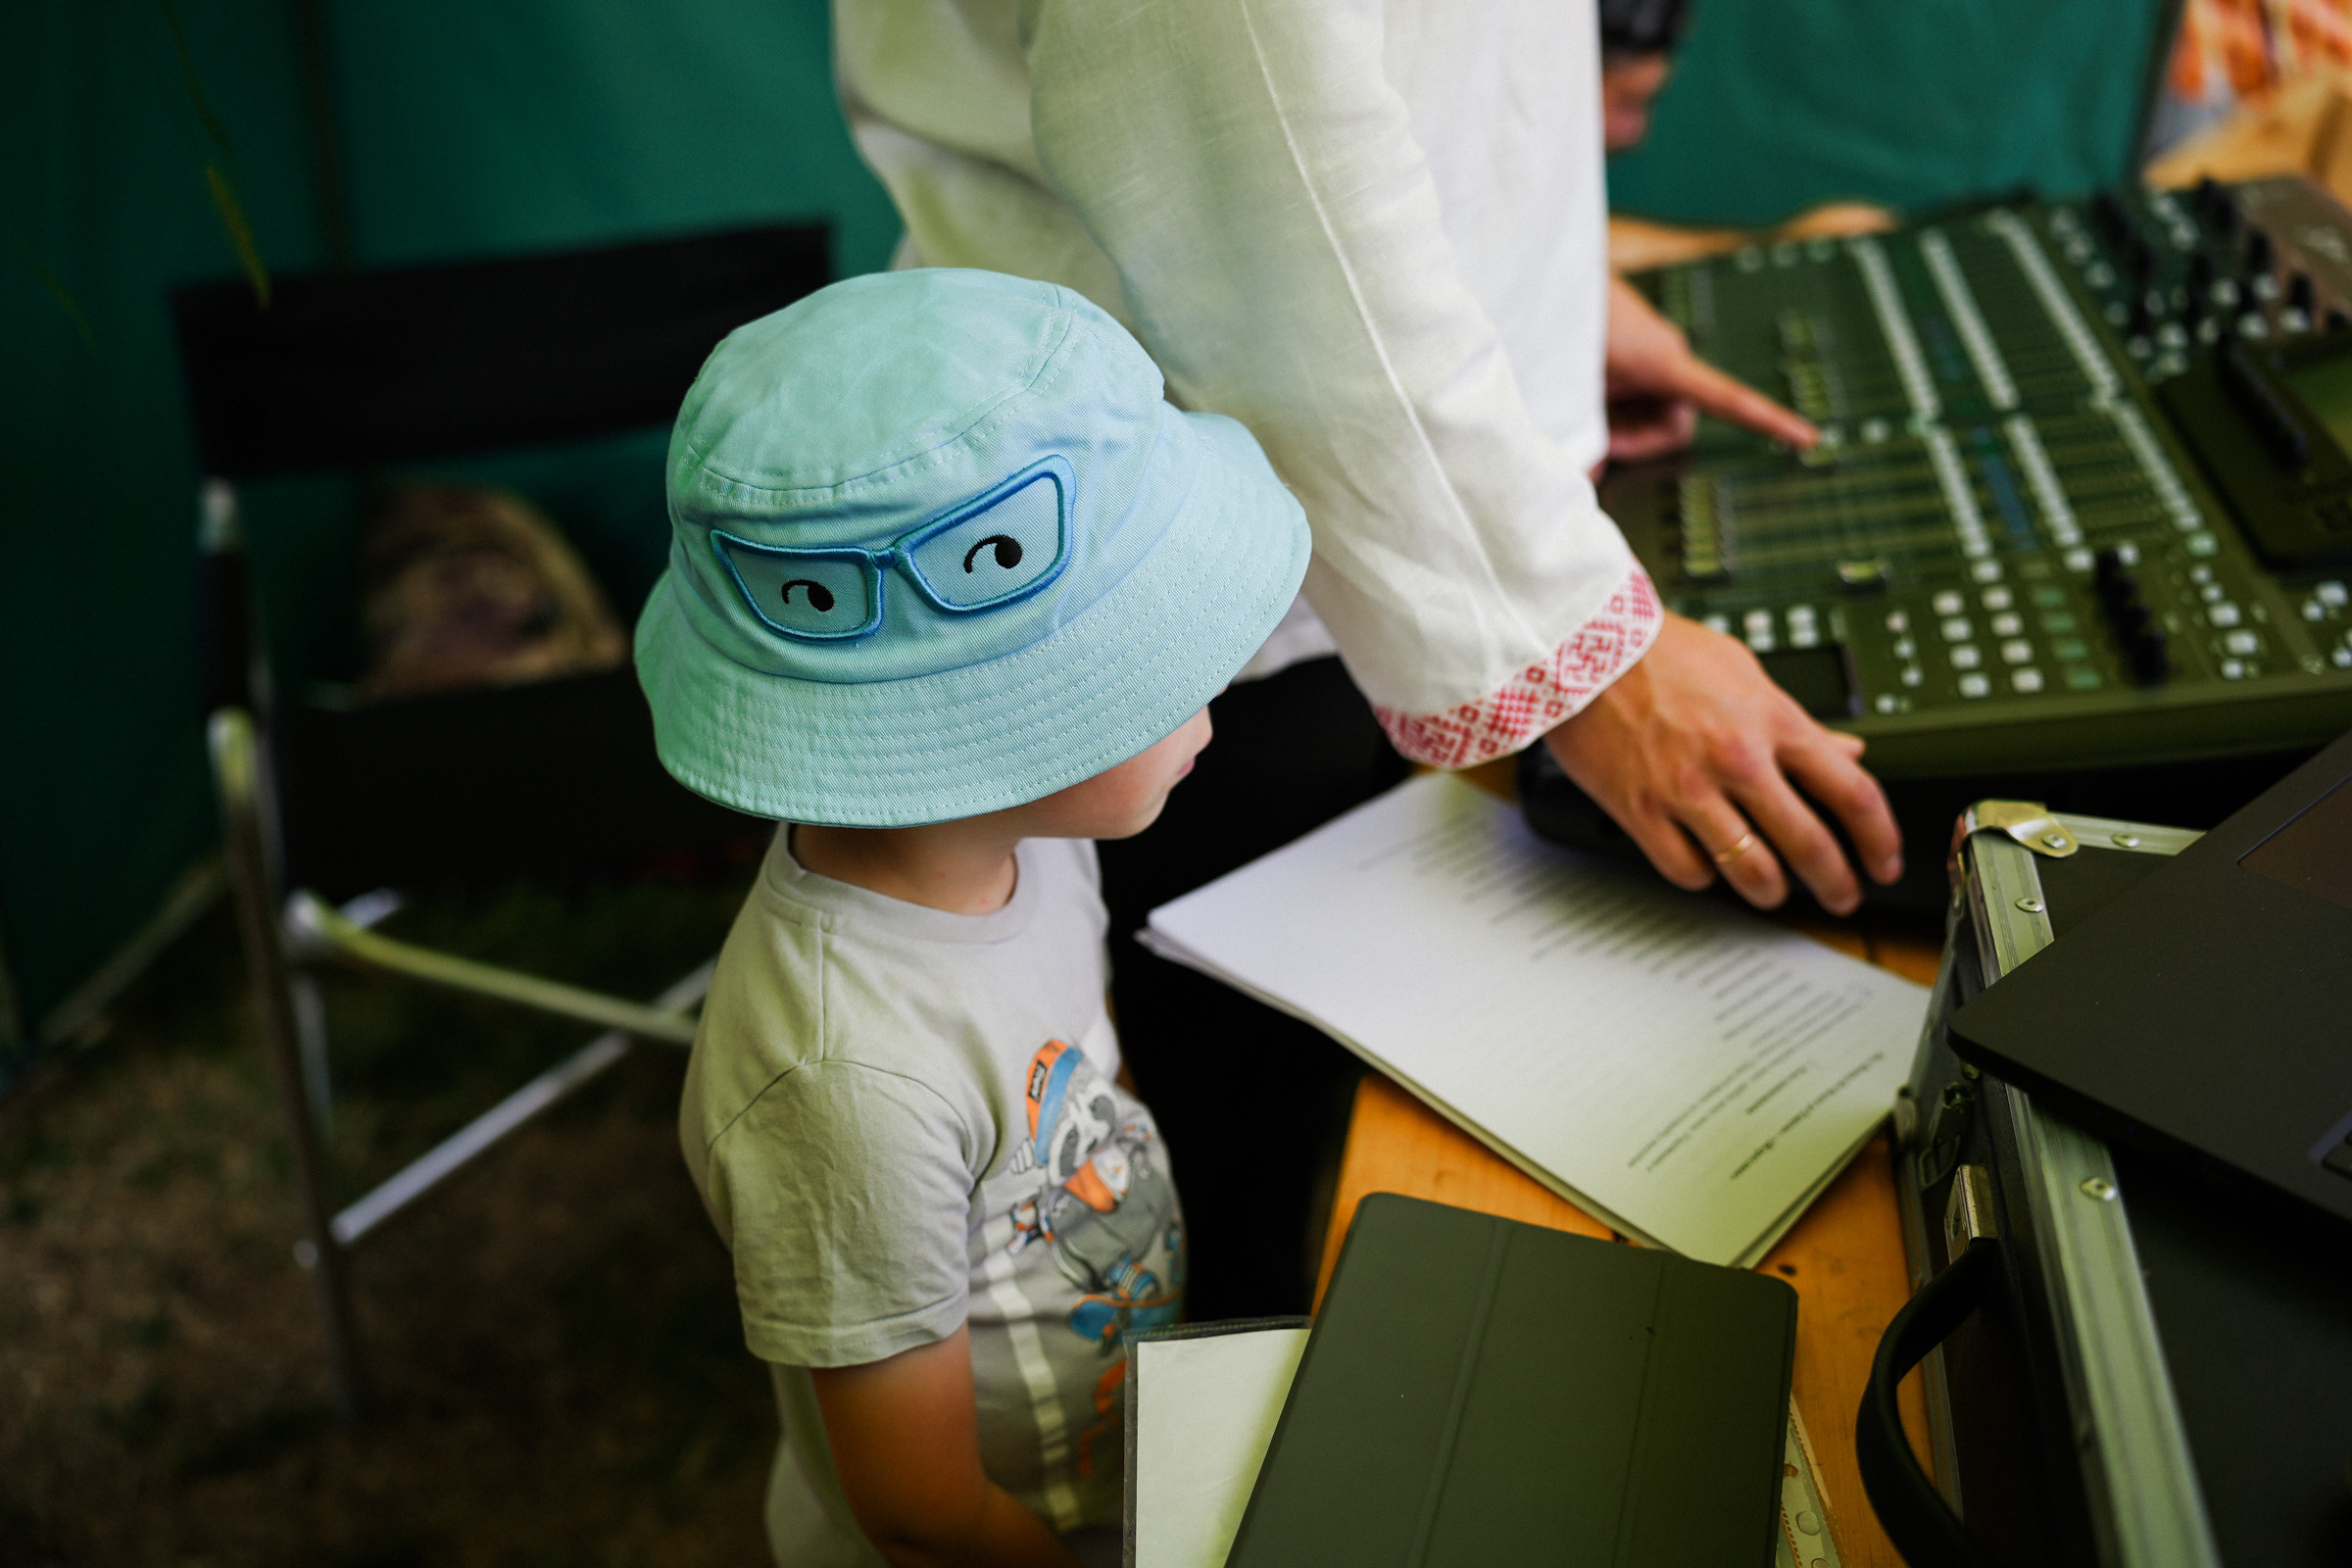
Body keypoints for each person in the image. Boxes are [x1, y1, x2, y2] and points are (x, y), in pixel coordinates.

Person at [832, 0, 1907, 1317]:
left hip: (1329, 504)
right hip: (1245, 571)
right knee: (1275, 1169)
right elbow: (1255, 186)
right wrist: (1587, 654)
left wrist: (1546, 298)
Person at [633, 267, 1313, 1568]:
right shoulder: (842, 1081)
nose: (1212, 704)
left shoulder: (1034, 843)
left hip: (1114, 1457)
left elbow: (1080, 1073)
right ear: (978, 731)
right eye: (1158, 666)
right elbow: (922, 1511)